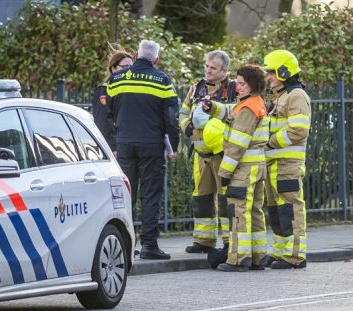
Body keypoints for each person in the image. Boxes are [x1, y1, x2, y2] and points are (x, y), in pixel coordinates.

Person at [106, 40, 179, 259]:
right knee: (150, 195)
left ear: (136, 54)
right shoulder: (163, 81)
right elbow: (172, 118)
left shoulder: (116, 79)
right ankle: (149, 246)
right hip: (151, 145)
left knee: (127, 195)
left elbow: (106, 113)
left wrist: (114, 144)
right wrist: (172, 146)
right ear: (156, 59)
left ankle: (126, 245)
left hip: (124, 145)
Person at [179, 50, 237, 254]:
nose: (207, 70)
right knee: (201, 198)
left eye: (213, 68)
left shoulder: (233, 89)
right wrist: (185, 125)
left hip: (223, 155)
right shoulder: (196, 88)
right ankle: (204, 240)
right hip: (200, 156)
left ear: (225, 71)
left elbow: (238, 116)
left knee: (225, 199)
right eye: (206, 66)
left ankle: (230, 241)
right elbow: (184, 111)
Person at [214, 64, 269, 272]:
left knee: (238, 212)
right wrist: (212, 108)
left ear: (252, 85)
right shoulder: (255, 103)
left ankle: (238, 258)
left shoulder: (248, 108)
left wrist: (225, 172)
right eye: (237, 83)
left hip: (243, 168)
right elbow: (230, 112)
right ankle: (258, 256)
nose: (238, 87)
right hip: (257, 167)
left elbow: (237, 144)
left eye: (242, 83)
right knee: (254, 211)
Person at [261, 50, 310, 269]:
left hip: (287, 164)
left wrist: (270, 142)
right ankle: (280, 252)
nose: (268, 77)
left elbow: (299, 130)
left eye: (271, 72)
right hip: (274, 164)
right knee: (276, 210)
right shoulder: (279, 96)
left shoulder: (296, 96)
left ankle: (294, 256)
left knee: (289, 208)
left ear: (284, 71)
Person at [93, 49, 134, 153]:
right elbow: (103, 121)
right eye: (125, 67)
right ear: (113, 69)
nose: (129, 70)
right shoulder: (104, 90)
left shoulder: (130, 88)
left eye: (131, 67)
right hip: (116, 147)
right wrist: (112, 148)